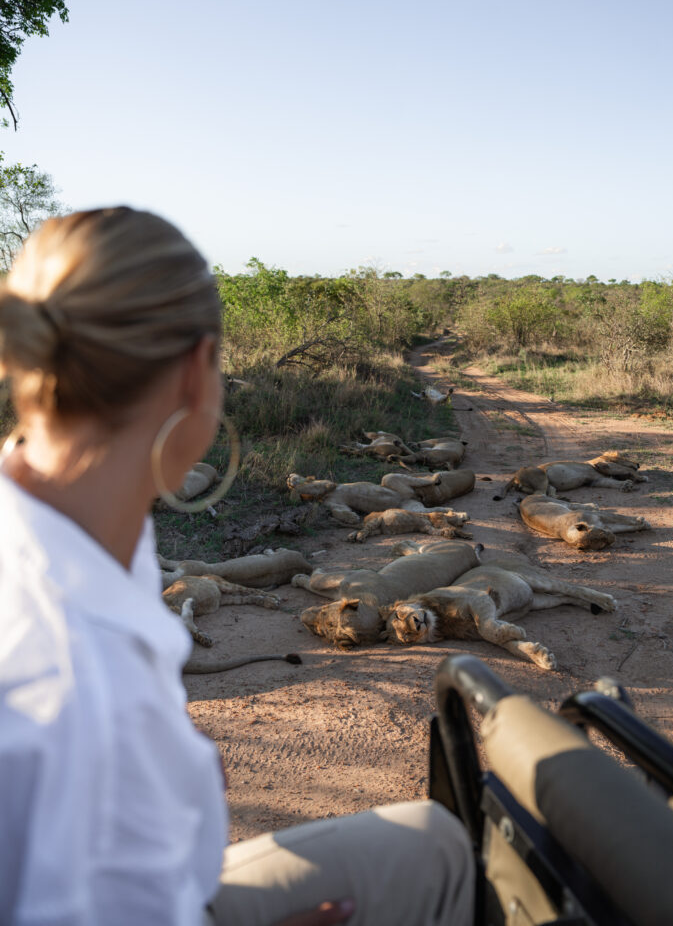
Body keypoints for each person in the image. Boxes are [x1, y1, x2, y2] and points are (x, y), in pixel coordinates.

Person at [0, 208, 474, 926]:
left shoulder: (73, 528)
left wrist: (172, 761)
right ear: (197, 372)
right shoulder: (69, 673)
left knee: (435, 840)